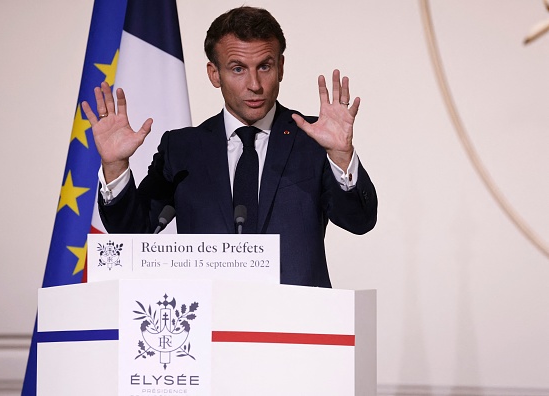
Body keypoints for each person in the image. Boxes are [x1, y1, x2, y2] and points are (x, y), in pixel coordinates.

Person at [81, 6, 377, 288]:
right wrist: (115, 165)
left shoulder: (313, 140)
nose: (255, 84)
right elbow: (134, 234)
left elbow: (359, 221)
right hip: (208, 325)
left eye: (265, 66)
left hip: (297, 326)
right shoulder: (182, 149)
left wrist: (340, 155)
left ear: (281, 67)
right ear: (214, 74)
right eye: (238, 69)